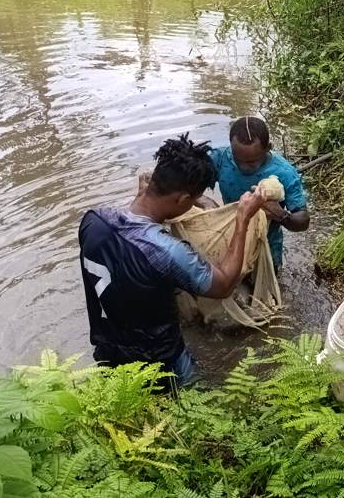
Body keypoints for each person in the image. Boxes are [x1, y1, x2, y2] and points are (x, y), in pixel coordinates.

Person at [78, 134, 266, 386]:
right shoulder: (165, 251)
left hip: (107, 352)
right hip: (161, 361)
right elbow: (223, 285)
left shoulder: (93, 220)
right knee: (197, 408)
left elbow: (126, 251)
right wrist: (242, 218)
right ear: (182, 200)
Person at [208, 116, 309, 269]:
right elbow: (186, 187)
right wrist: (209, 205)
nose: (243, 167)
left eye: (251, 162)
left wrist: (280, 214)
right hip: (231, 240)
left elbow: (303, 221)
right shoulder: (220, 158)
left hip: (267, 247)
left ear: (268, 147)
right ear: (231, 147)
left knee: (267, 289)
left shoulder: (284, 172)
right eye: (237, 159)